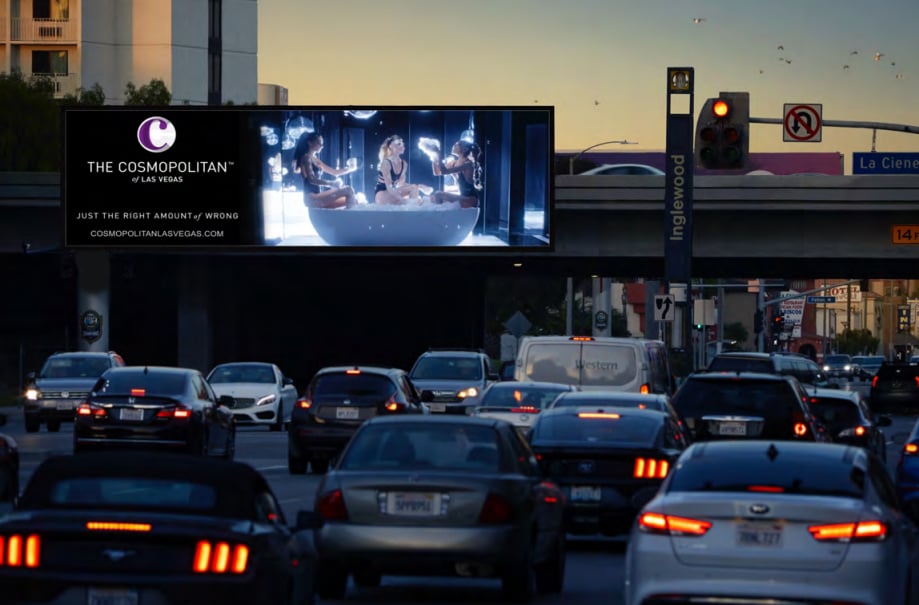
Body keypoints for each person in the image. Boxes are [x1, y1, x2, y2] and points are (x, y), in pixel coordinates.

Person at [293, 132, 358, 209]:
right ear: (310, 143)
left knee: (355, 200)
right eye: (319, 143)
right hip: (311, 197)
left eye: (322, 143)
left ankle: (348, 218)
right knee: (348, 190)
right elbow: (311, 179)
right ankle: (350, 219)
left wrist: (350, 168)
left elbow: (334, 172)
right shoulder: (306, 157)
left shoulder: (315, 159)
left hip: (317, 196)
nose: (321, 146)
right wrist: (331, 183)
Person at [374, 135, 432, 205]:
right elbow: (389, 187)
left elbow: (401, 184)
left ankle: (412, 209)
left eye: (402, 144)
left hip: (393, 193)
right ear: (390, 146)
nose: (402, 146)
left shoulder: (404, 164)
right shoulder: (386, 163)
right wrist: (401, 199)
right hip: (382, 195)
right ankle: (412, 206)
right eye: (398, 144)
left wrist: (419, 186)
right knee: (414, 201)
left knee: (414, 190)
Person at [429, 138, 483, 208]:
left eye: (458, 144)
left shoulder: (468, 164)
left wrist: (438, 153)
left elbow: (444, 171)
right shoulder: (454, 163)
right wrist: (434, 155)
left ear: (465, 149)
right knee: (432, 198)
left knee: (438, 195)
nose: (454, 145)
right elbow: (437, 172)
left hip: (472, 199)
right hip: (463, 197)